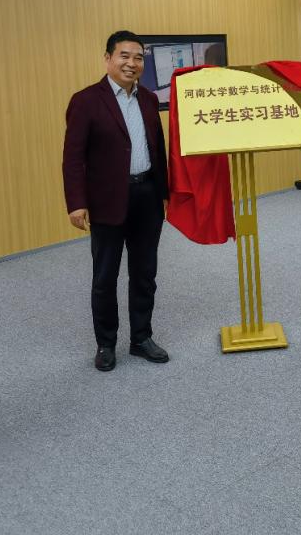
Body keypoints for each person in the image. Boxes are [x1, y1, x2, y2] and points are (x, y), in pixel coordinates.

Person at [62, 30, 171, 371]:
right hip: (107, 201)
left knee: (145, 273)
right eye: (124, 55)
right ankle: (106, 344)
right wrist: (76, 201)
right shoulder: (85, 101)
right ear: (108, 58)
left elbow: (158, 148)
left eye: (138, 57)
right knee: (105, 278)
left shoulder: (148, 99)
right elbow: (73, 157)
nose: (132, 63)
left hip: (146, 196)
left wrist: (164, 192)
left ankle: (141, 338)